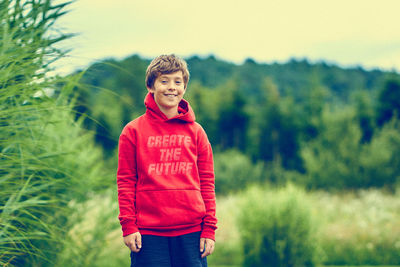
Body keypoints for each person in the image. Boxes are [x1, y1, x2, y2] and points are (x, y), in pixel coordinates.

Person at [117, 54, 217, 267]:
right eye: (164, 81)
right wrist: (129, 226)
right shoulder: (132, 132)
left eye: (177, 81)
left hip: (192, 233)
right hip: (149, 235)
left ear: (184, 87)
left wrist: (209, 228)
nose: (172, 87)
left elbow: (207, 182)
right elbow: (126, 182)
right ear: (151, 85)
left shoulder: (197, 133)